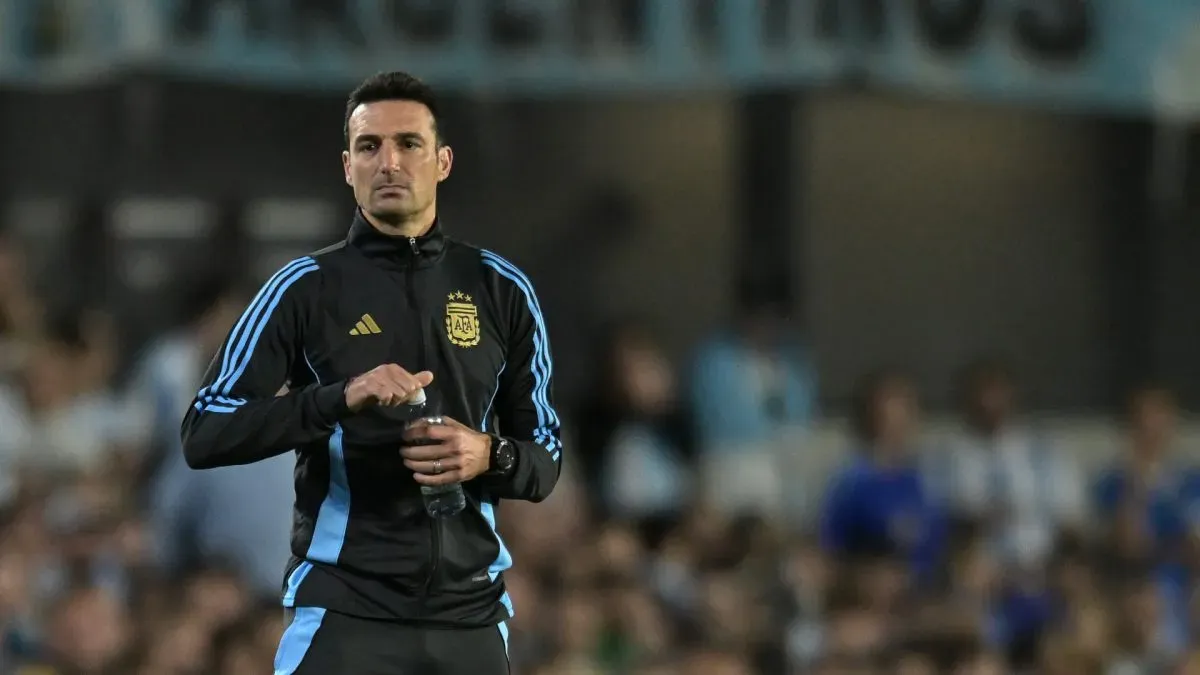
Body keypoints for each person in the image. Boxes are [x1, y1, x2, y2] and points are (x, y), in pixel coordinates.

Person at [180, 71, 563, 674]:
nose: (389, 162)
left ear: (442, 161)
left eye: (408, 144)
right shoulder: (303, 287)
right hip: (345, 611)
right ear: (347, 167)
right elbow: (204, 431)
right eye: (370, 146)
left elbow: (545, 456)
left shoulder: (501, 289)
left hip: (470, 619)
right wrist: (336, 400)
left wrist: (489, 455)